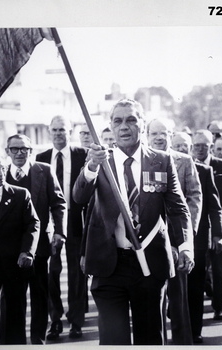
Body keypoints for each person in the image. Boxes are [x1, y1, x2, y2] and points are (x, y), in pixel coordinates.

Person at [73, 99, 194, 345]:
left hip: (150, 265)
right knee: (113, 339)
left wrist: (185, 246)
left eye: (131, 120)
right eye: (117, 121)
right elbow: (79, 197)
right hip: (108, 265)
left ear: (142, 124)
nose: (124, 127)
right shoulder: (99, 160)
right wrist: (92, 166)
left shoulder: (160, 160)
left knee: (149, 337)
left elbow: (178, 208)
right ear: (111, 126)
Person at [2, 134, 67, 344]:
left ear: (31, 151)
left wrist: (59, 231)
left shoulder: (44, 170)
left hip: (40, 246)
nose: (20, 153)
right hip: (10, 248)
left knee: (39, 295)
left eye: (24, 149)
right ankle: (16, 342)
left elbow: (58, 203)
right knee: (14, 297)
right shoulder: (1, 174)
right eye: (15, 149)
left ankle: (38, 340)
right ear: (7, 152)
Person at [147, 122, 202, 345]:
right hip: (152, 241)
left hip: (179, 241)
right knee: (154, 301)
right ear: (147, 136)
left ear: (171, 135)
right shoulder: (143, 161)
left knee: (179, 301)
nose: (159, 137)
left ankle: (183, 343)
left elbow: (194, 199)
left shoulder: (184, 161)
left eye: (164, 133)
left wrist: (185, 239)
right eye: (154, 133)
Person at [0, 153, 40, 345]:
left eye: (3, 168)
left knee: (14, 313)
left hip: (14, 264)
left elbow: (33, 224)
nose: (1, 173)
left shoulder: (20, 194)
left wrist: (27, 251)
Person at [36, 115, 89, 340]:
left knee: (78, 274)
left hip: (77, 222)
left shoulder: (82, 155)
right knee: (52, 273)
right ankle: (55, 319)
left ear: (70, 131)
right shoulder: (41, 158)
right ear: (49, 132)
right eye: (55, 130)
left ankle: (76, 321)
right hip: (52, 225)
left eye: (62, 130)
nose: (58, 133)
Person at [172, 132, 222, 343]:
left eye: (185, 146)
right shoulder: (158, 166)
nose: (182, 149)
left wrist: (218, 234)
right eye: (177, 145)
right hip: (168, 239)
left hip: (197, 238)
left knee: (195, 287)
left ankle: (195, 330)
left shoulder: (204, 171)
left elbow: (214, 206)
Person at [192, 129, 222, 321]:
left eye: (203, 146)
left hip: (216, 226)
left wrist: (219, 232)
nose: (199, 149)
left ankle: (218, 306)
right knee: (199, 272)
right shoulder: (187, 165)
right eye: (196, 145)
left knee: (219, 270)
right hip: (197, 230)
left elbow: (219, 204)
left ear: (210, 147)